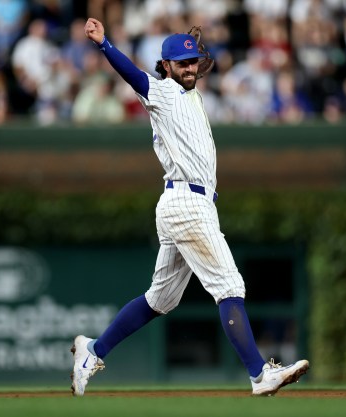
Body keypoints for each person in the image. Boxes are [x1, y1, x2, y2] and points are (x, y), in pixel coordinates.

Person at [70, 17, 309, 397]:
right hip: (185, 202)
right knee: (229, 286)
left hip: (189, 203)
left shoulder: (192, 92)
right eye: (181, 63)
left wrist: (191, 46)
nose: (189, 67)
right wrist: (104, 45)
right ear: (165, 66)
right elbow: (134, 74)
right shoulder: (161, 92)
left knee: (159, 299)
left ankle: (92, 351)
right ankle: (259, 374)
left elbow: (198, 64)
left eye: (193, 61)